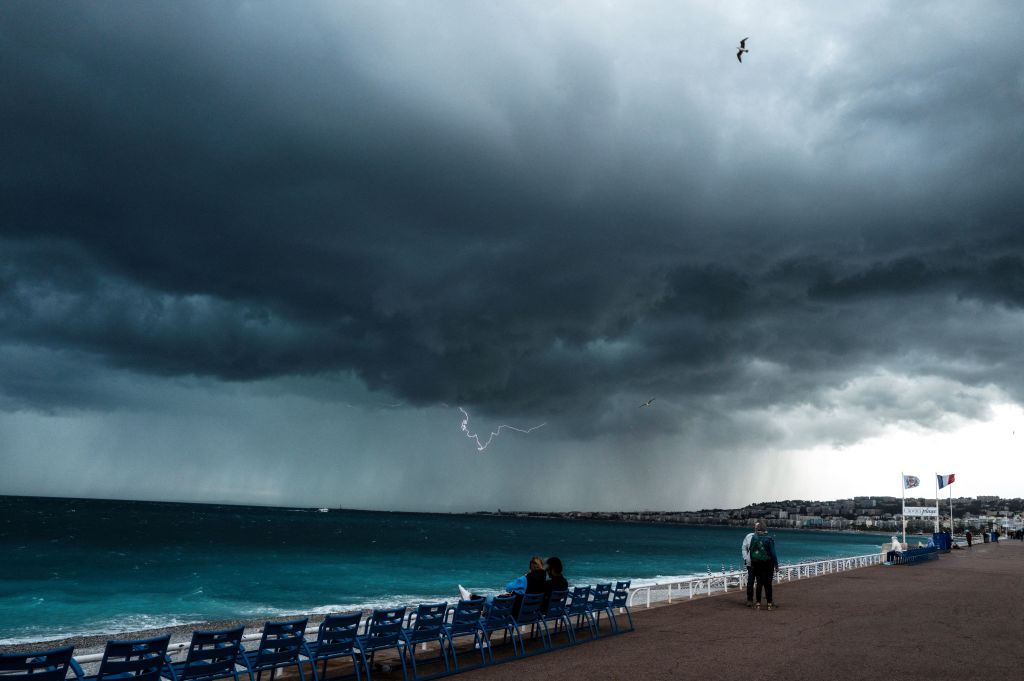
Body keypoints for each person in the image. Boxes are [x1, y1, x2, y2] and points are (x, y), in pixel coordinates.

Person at [748, 523, 778, 610]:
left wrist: (753, 563)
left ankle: (758, 604)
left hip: (757, 563)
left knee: (759, 583)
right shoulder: (769, 539)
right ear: (766, 530)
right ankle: (769, 604)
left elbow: (751, 551)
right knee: (768, 584)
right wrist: (776, 565)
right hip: (768, 563)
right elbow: (773, 553)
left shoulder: (754, 538)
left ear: (757, 530)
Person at [741, 523, 761, 607]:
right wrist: (746, 558)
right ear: (755, 528)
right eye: (756, 528)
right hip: (750, 563)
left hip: (761, 563)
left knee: (761, 582)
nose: (757, 529)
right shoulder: (749, 536)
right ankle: (749, 599)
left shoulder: (765, 537)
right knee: (750, 582)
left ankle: (759, 601)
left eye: (759, 528)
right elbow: (744, 548)